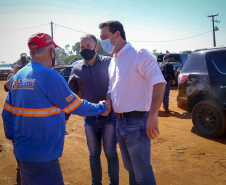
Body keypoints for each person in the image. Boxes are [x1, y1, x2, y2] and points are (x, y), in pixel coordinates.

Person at [1, 32, 109, 185]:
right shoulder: (50, 75)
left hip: (22, 154)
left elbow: (6, 114)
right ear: (51, 52)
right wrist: (101, 108)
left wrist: (16, 140)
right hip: (43, 155)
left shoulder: (18, 77)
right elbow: (75, 105)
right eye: (54, 51)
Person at [99, 21, 166, 185]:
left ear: (117, 35)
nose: (103, 42)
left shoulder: (138, 54)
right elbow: (111, 88)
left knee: (143, 174)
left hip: (137, 122)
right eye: (101, 38)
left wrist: (153, 116)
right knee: (130, 168)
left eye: (105, 37)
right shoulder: (113, 60)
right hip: (119, 121)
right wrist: (108, 101)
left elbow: (159, 82)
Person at [67, 34, 119, 185]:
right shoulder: (76, 69)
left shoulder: (110, 62)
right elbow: (69, 96)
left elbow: (119, 84)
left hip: (109, 117)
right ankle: (96, 183)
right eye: (82, 47)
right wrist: (63, 119)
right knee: (94, 154)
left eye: (88, 46)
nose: (84, 49)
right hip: (89, 119)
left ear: (96, 47)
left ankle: (114, 182)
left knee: (110, 152)